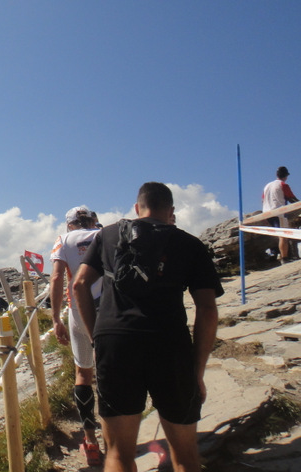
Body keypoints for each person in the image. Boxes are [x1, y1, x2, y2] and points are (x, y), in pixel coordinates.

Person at [73, 182, 223, 472]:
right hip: (169, 342)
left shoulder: (107, 235)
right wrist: (197, 371)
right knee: (185, 456)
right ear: (171, 212)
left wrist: (97, 338)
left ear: (136, 208)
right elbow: (207, 309)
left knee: (118, 453)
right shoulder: (189, 243)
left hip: (115, 341)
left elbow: (79, 284)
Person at [50, 206, 103, 466]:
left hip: (78, 310)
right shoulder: (105, 234)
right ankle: (117, 435)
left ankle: (91, 441)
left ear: (70, 224)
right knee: (111, 370)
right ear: (93, 220)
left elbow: (58, 277)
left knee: (83, 372)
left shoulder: (63, 240)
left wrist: (55, 318)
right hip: (108, 308)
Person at [262, 166, 299, 264]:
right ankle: (284, 258)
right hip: (279, 212)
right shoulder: (283, 185)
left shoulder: (267, 186)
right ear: (286, 176)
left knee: (277, 235)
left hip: (266, 213)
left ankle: (277, 254)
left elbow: (263, 199)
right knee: (283, 235)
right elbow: (292, 199)